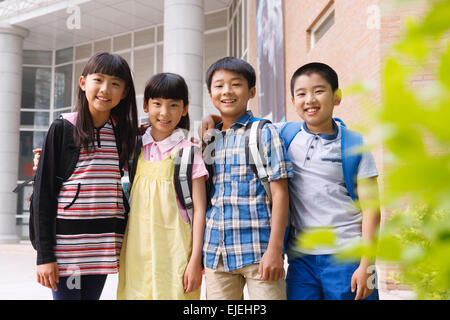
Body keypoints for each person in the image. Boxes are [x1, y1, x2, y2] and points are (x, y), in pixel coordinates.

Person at [201, 62, 381, 300]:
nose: (310, 100)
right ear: (293, 102)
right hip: (301, 260)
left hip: (347, 256)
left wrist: (367, 265)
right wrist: (212, 118)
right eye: (301, 94)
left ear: (337, 97)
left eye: (319, 91)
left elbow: (372, 210)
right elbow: (241, 126)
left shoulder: (354, 144)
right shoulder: (283, 133)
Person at [32, 51, 139, 300]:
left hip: (102, 245)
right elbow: (43, 194)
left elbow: (166, 131)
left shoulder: (123, 133)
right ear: (83, 83)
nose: (105, 89)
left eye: (115, 83)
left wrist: (210, 119)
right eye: (98, 80)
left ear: (124, 92)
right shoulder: (63, 128)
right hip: (67, 250)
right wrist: (45, 256)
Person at [202, 57, 292, 300]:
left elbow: (280, 193)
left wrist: (275, 250)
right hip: (216, 254)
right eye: (219, 85)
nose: (227, 91)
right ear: (210, 93)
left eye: (236, 84)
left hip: (258, 253)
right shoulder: (210, 138)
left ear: (251, 91)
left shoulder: (264, 132)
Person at [117, 73, 207, 300]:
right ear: (146, 105)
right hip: (137, 252)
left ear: (184, 109)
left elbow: (199, 211)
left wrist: (196, 260)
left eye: (173, 105)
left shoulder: (188, 153)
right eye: (157, 104)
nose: (164, 113)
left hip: (176, 253)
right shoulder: (134, 148)